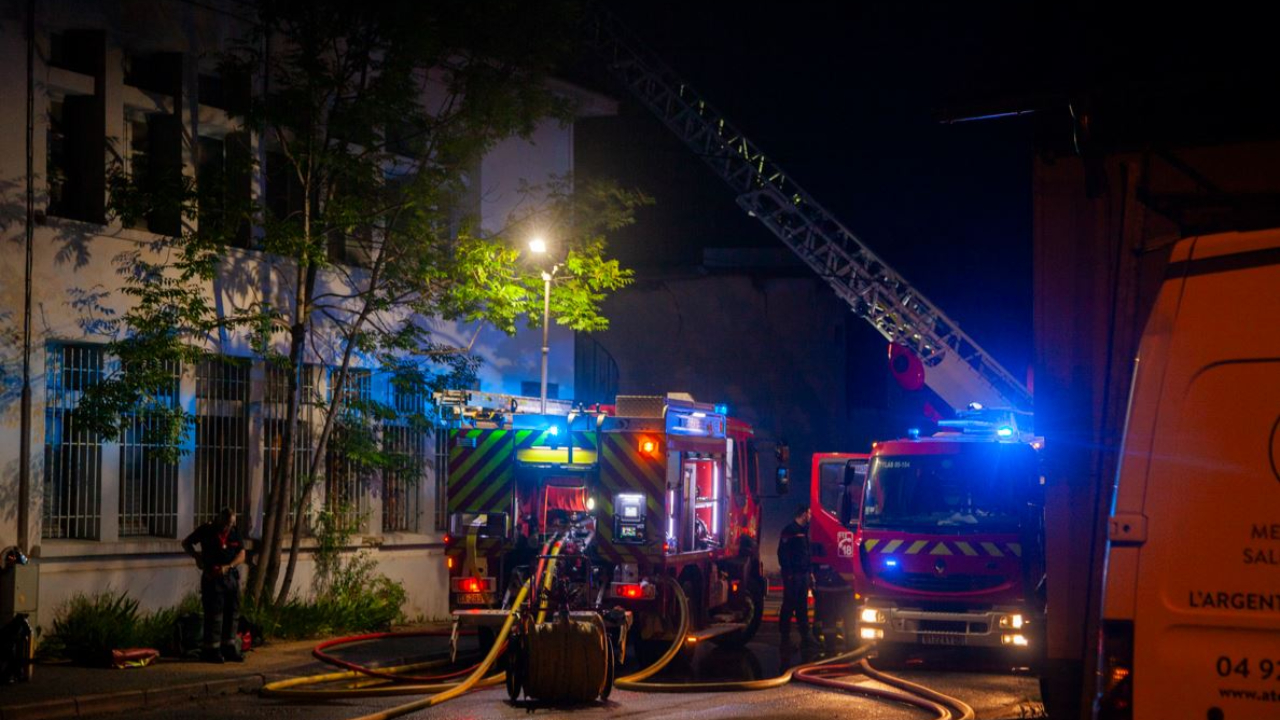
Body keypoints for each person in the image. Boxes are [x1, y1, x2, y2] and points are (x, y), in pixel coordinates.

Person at [182, 507, 246, 663]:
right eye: (226, 524)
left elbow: (242, 553)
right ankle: (211, 649)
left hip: (229, 576)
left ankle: (229, 647)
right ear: (219, 519)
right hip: (213, 576)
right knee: (214, 614)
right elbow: (186, 543)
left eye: (230, 524)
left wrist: (230, 566)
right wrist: (197, 557)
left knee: (233, 612)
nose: (227, 527)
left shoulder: (234, 532)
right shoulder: (207, 530)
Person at [777, 504, 813, 646]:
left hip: (803, 574)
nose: (810, 517)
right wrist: (789, 574)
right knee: (789, 605)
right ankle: (785, 638)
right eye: (809, 514)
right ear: (804, 514)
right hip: (793, 576)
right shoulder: (789, 530)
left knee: (802, 606)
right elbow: (782, 553)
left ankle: (805, 637)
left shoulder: (804, 531)